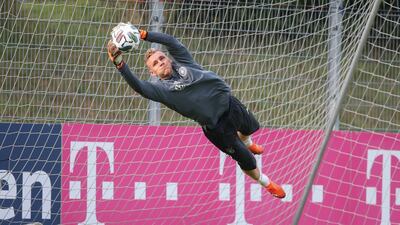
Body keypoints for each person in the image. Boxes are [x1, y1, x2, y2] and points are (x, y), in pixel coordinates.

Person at [107, 27, 286, 199]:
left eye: (162, 58)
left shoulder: (184, 61)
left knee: (250, 128)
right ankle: (267, 183)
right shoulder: (161, 90)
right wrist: (120, 64)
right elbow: (138, 86)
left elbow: (170, 41)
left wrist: (143, 34)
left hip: (230, 104)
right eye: (155, 63)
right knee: (248, 162)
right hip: (217, 128)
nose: (160, 62)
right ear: (152, 72)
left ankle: (247, 141)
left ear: (168, 59)